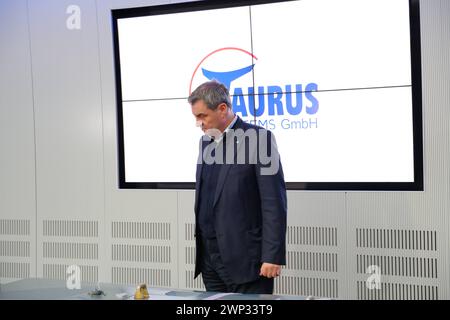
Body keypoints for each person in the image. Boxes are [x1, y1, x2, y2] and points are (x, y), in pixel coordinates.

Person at [188, 80, 287, 294]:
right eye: (196, 117)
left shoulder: (260, 139)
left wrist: (272, 255)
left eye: (202, 116)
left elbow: (274, 202)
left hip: (246, 260)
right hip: (209, 260)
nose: (199, 123)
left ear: (222, 109)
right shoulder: (205, 141)